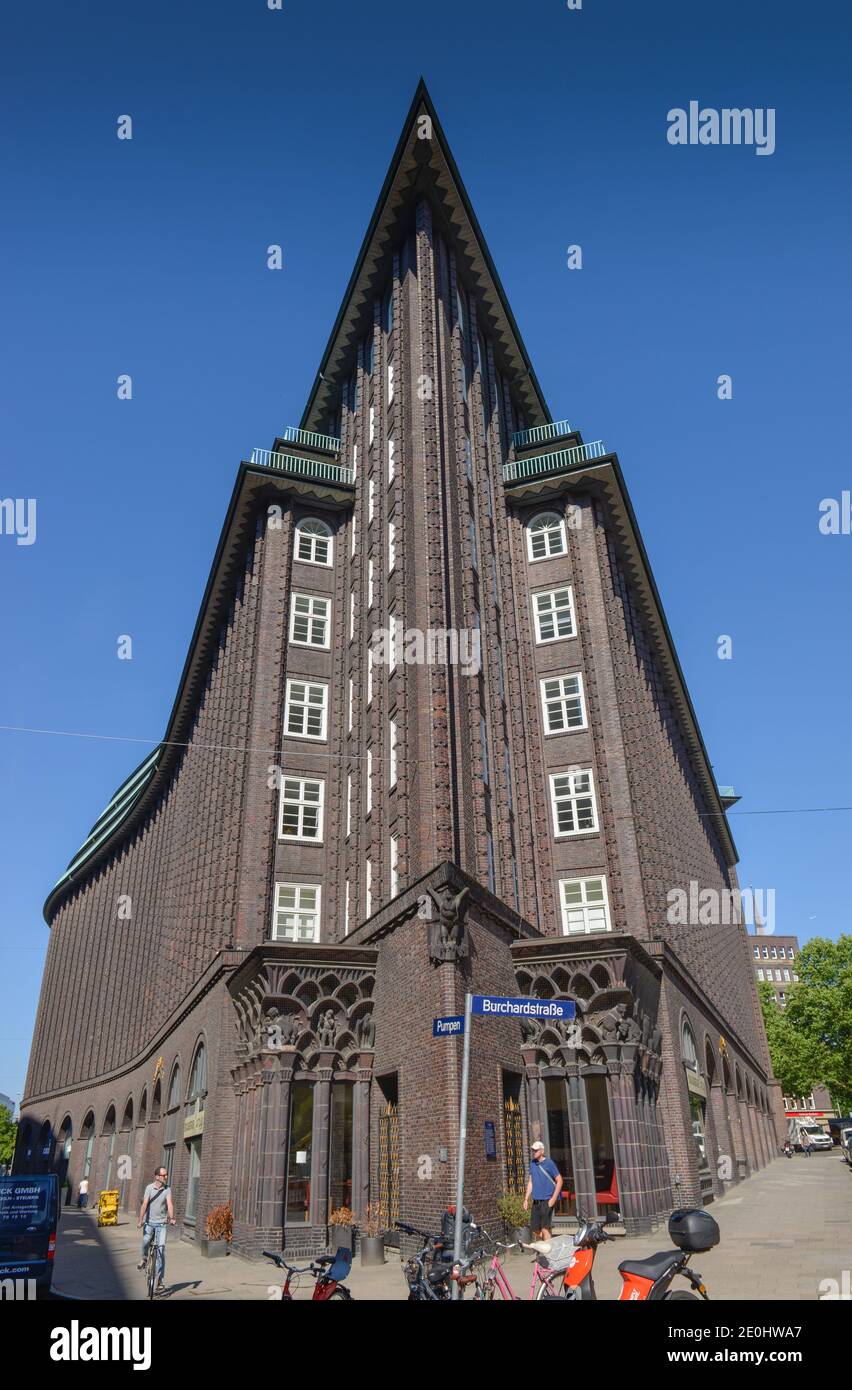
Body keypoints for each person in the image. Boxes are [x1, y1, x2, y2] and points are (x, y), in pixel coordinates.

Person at [136, 1167, 175, 1293]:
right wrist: (140, 1220)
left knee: (161, 1250)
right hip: (149, 1223)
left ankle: (159, 1281)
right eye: (164, 1175)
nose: (166, 1177)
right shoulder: (149, 1188)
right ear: (157, 1176)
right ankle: (144, 1258)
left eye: (166, 1175)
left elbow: (169, 1204)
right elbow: (144, 1204)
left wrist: (171, 1217)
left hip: (162, 1224)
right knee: (146, 1240)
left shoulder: (167, 1189)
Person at [524, 1140, 563, 1240]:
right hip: (536, 1201)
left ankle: (548, 1252)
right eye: (533, 1150)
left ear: (542, 1151)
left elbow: (559, 1180)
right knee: (535, 1229)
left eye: (536, 1150)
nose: (534, 1152)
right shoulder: (532, 1163)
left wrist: (553, 1199)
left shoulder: (549, 1163)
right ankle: (551, 1244)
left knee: (545, 1228)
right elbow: (531, 1181)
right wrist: (526, 1198)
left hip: (547, 1199)